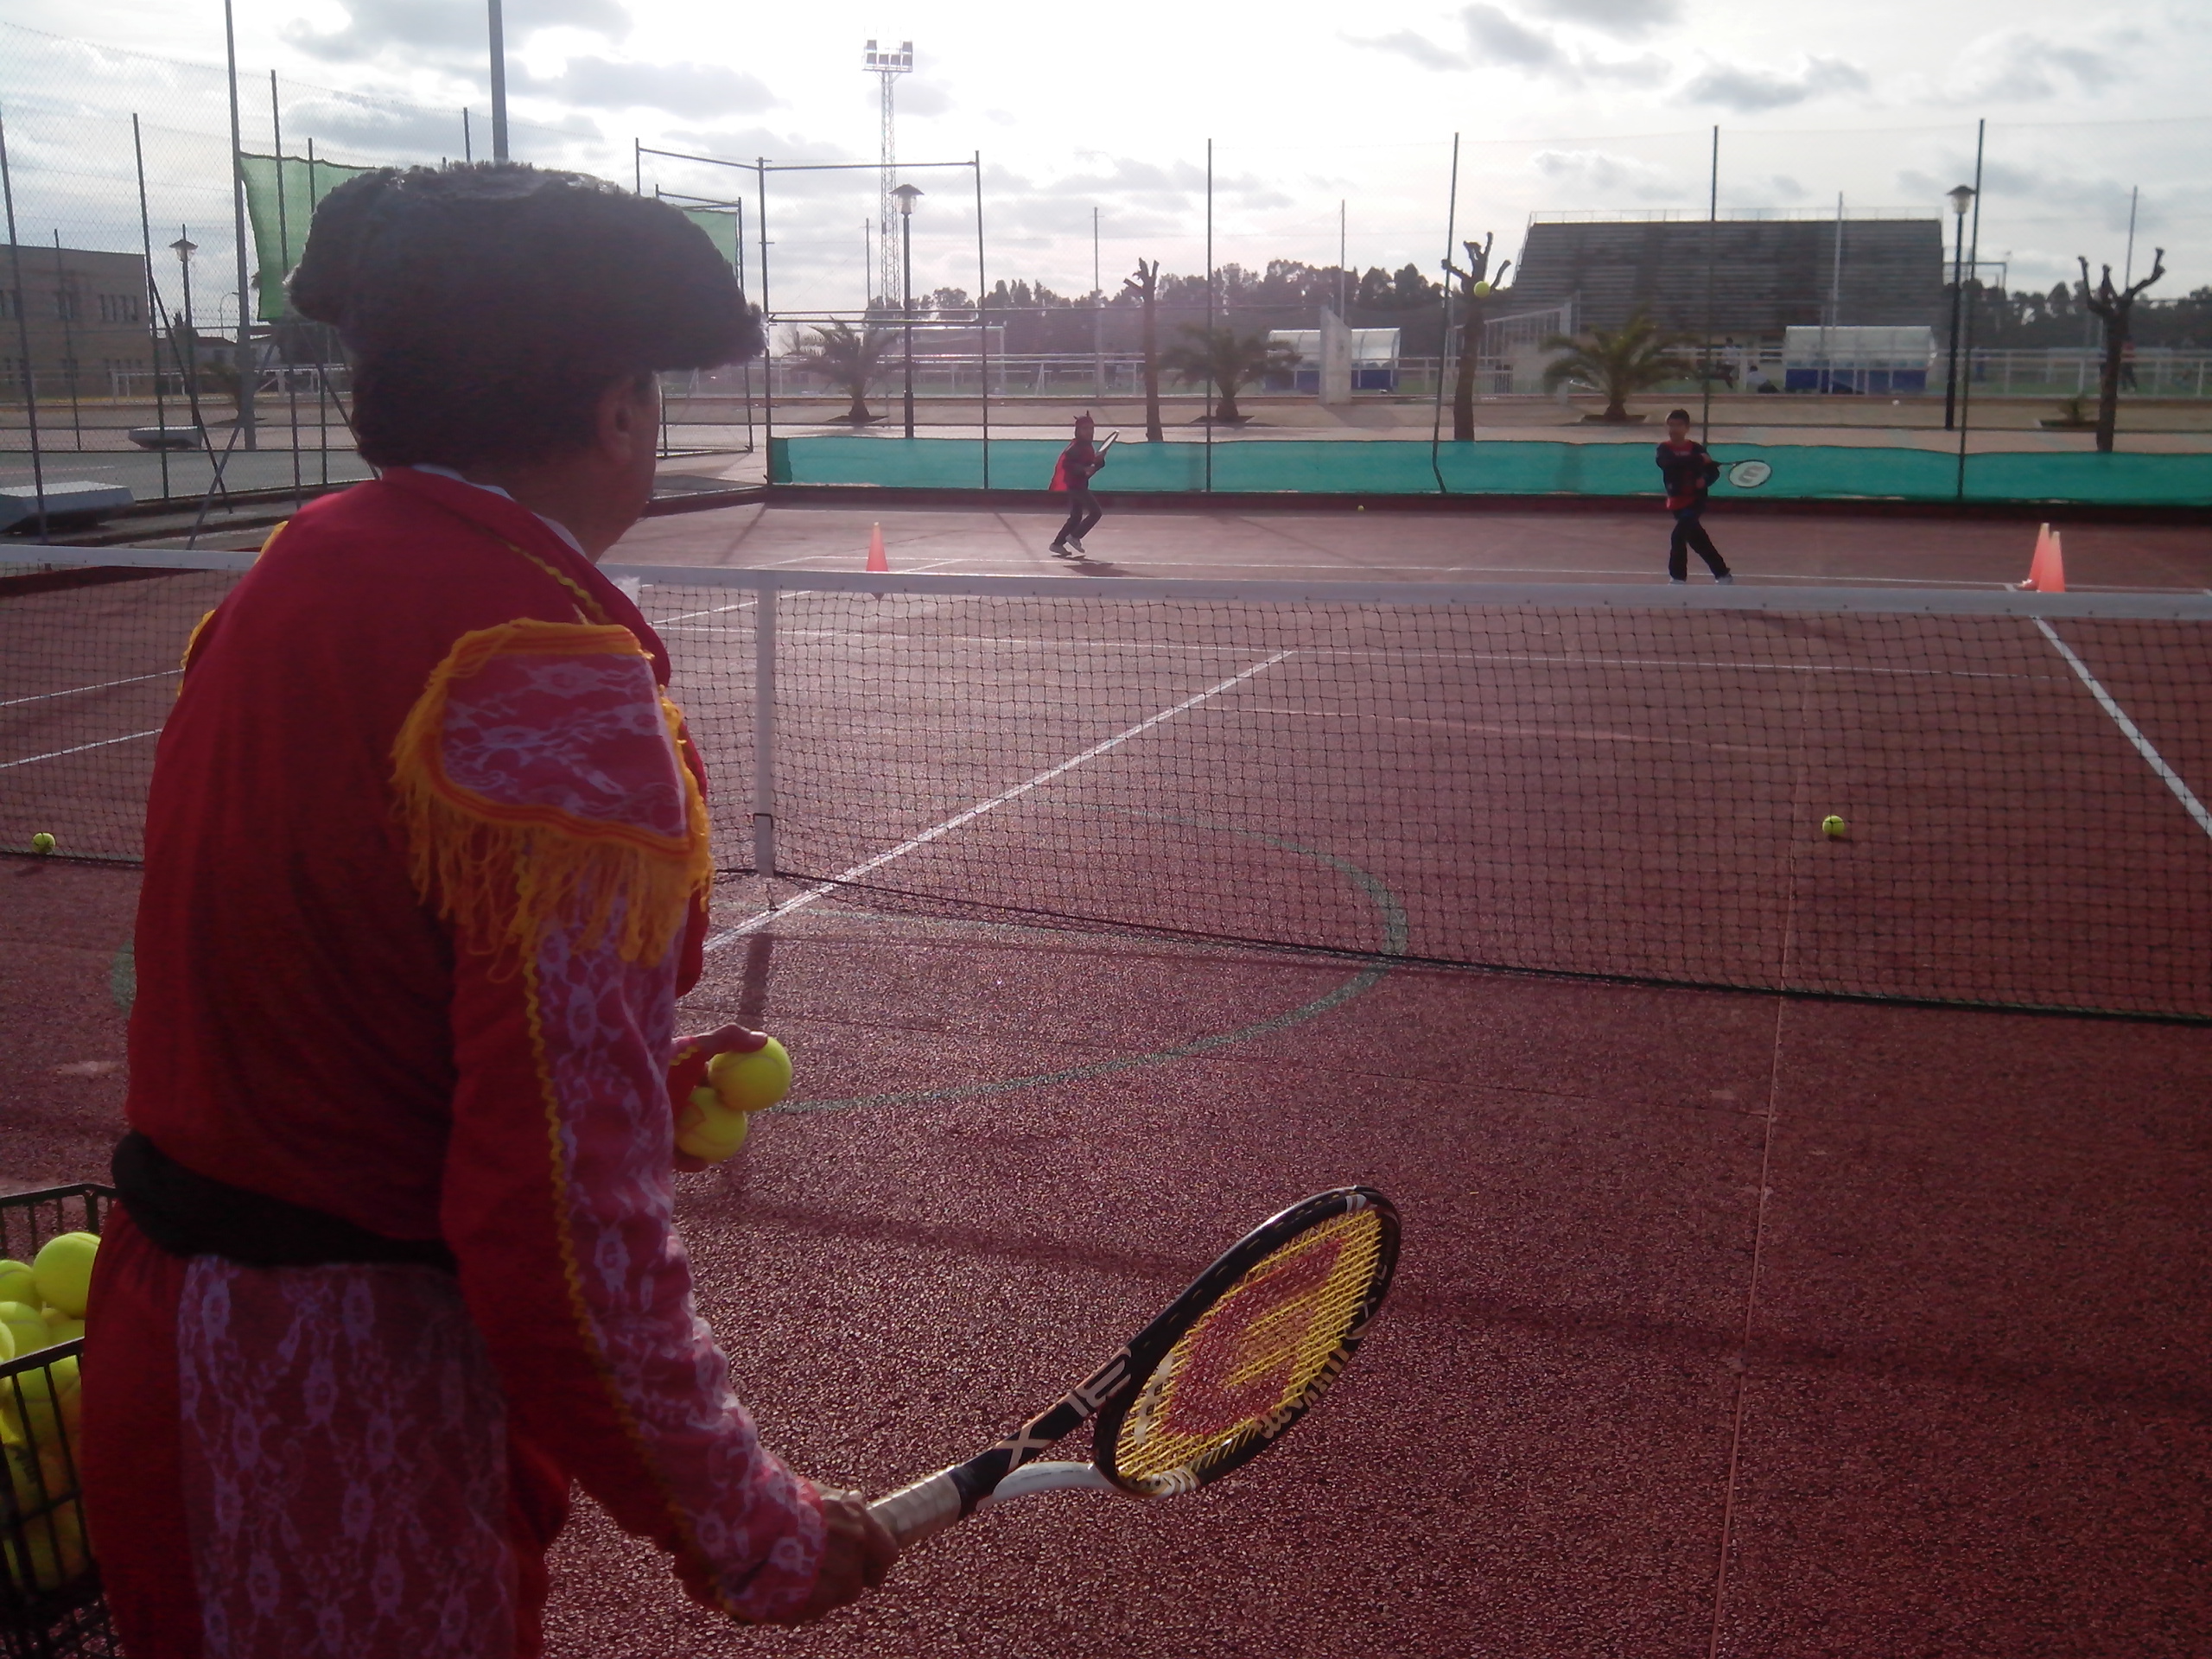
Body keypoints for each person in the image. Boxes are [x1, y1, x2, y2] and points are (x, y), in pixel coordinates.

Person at [79, 162, 899, 1659]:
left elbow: (319, 979)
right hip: (345, 1430)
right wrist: (746, 1522)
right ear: (618, 412)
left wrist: (621, 1076)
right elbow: (561, 1226)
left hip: (164, 1364)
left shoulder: (289, 575)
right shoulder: (550, 677)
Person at [1655, 408, 1733, 585]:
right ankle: (1723, 574)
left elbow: (1712, 472)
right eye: (1671, 425)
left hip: (1695, 501)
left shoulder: (1696, 448)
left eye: (1678, 425)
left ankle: (1678, 578)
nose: (1674, 429)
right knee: (1698, 540)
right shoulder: (1664, 449)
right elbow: (1668, 463)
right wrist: (1698, 460)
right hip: (1676, 502)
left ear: (1687, 428)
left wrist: (1704, 480)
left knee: (1678, 536)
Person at [1046, 411, 1107, 556]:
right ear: (1077, 430)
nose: (1089, 432)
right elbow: (1068, 465)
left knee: (1075, 517)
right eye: (1085, 429)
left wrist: (1099, 462)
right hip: (1076, 486)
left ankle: (1057, 544)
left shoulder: (1087, 446)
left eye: (1091, 428)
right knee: (1096, 513)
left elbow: (1091, 466)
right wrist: (1083, 469)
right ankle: (1075, 537)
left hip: (1079, 485)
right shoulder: (1075, 448)